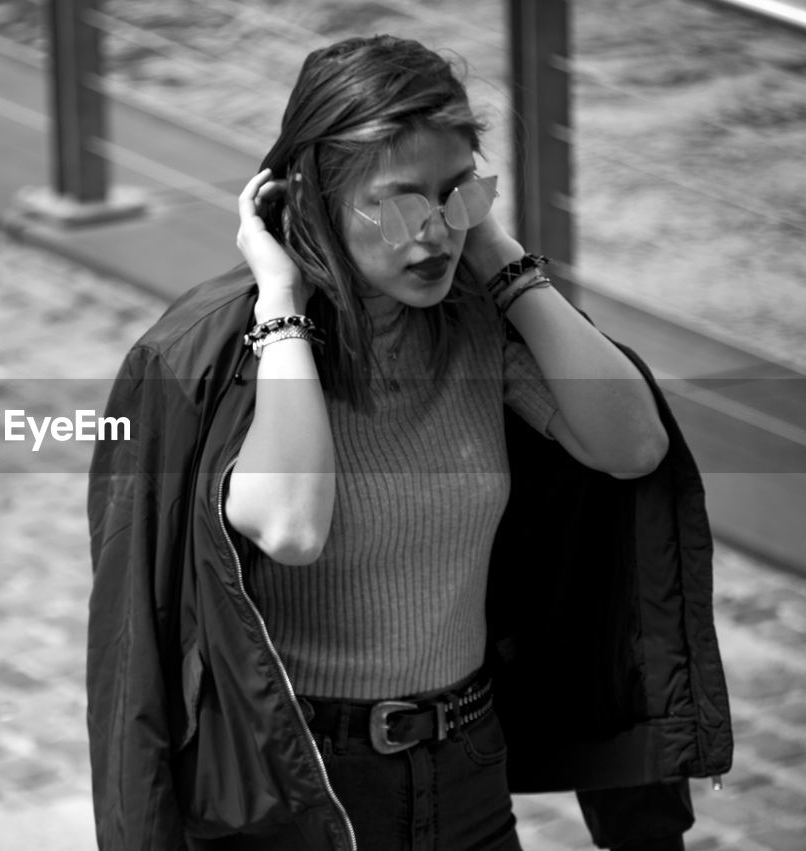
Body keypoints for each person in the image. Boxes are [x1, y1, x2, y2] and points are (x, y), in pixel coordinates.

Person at [87, 34, 731, 851]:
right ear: (313, 200)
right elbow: (291, 525)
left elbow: (634, 446)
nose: (433, 235)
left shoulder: (474, 331)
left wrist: (501, 257)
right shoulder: (236, 362)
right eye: (400, 205)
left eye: (457, 194)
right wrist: (281, 301)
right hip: (300, 786)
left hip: (466, 769)